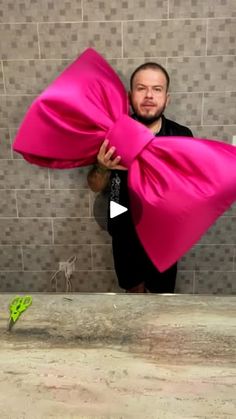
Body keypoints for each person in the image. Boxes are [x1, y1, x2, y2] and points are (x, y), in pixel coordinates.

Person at [87, 62, 193, 293]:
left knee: (160, 299)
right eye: (141, 88)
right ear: (129, 95)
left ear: (167, 97)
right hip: (122, 223)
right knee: (132, 295)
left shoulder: (182, 136)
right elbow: (95, 185)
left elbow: (190, 192)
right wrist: (103, 167)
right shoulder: (112, 133)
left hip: (164, 232)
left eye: (157, 89)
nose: (149, 96)